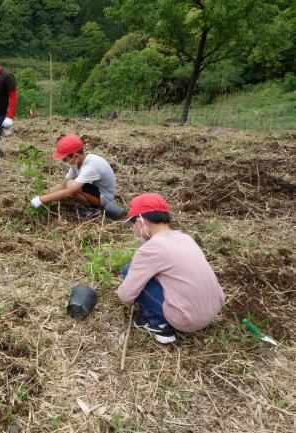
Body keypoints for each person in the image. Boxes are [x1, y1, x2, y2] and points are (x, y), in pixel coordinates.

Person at [117, 193, 225, 344]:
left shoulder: (151, 248)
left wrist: (123, 290)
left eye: (132, 224)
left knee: (128, 271)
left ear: (141, 222)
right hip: (212, 311)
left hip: (187, 320)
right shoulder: (185, 238)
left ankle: (159, 325)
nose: (132, 229)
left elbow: (126, 296)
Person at [29, 135, 120, 217]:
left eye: (64, 159)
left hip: (105, 198)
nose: (64, 161)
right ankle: (90, 206)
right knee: (69, 184)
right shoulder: (76, 162)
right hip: (94, 191)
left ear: (75, 156)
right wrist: (41, 193)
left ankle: (91, 210)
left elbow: (68, 191)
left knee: (72, 186)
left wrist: (40, 200)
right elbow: (62, 185)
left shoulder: (91, 166)